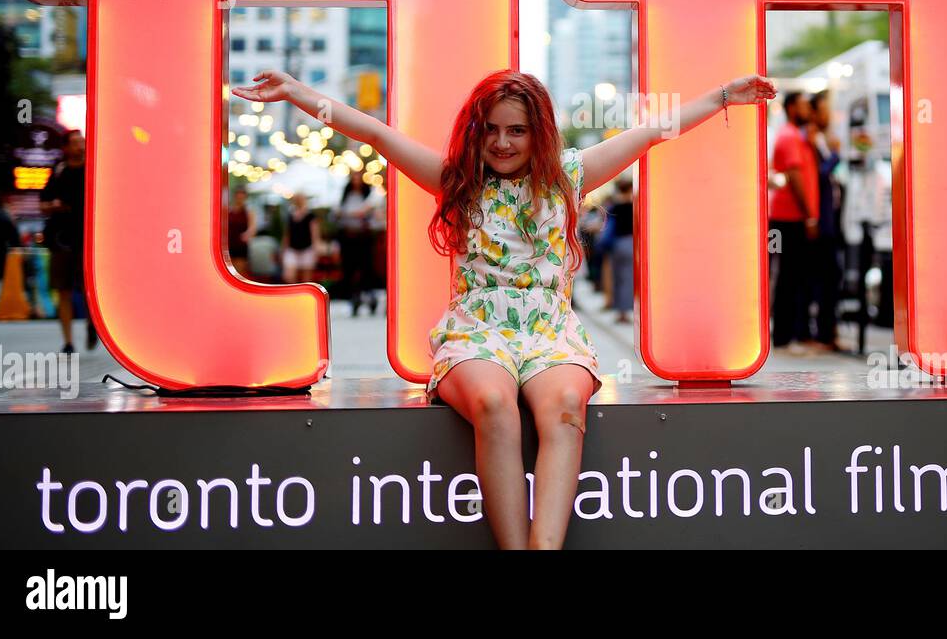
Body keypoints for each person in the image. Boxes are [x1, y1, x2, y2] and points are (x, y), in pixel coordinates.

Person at [233, 67, 775, 550]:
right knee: (494, 405)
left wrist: (723, 95)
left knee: (565, 404)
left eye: (516, 130)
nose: (502, 142)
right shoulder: (457, 180)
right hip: (476, 330)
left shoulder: (567, 176)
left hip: (549, 329)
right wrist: (296, 93)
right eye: (490, 129)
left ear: (538, 132)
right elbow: (374, 132)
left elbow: (653, 133)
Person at [769, 91, 819, 351]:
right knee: (789, 276)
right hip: (789, 217)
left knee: (793, 275)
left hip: (793, 216)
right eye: (803, 105)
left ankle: (789, 335)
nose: (809, 110)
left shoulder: (798, 137)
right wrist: (809, 215)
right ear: (791, 108)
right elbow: (795, 178)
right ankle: (784, 337)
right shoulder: (788, 137)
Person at [42, 130, 91, 352]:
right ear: (66, 148)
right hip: (61, 239)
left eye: (82, 141)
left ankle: (94, 325)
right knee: (63, 289)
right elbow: (42, 204)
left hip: (87, 238)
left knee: (89, 288)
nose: (80, 145)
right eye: (75, 142)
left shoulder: (93, 170)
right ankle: (68, 341)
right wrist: (55, 206)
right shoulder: (58, 172)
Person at [807, 92, 844, 352]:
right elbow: (817, 175)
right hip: (822, 219)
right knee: (825, 276)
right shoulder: (811, 140)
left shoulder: (819, 138)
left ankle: (827, 330)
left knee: (831, 275)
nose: (827, 115)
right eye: (823, 110)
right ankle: (823, 331)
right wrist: (834, 156)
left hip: (830, 217)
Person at [337, 174, 377, 315]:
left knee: (366, 267)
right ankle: (354, 298)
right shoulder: (345, 197)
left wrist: (353, 214)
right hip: (348, 237)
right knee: (350, 268)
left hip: (363, 237)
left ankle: (369, 296)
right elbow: (340, 212)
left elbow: (366, 212)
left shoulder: (369, 195)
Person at [605, 178, 634, 324]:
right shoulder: (632, 206)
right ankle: (625, 311)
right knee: (628, 278)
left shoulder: (615, 206)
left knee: (617, 277)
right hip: (629, 243)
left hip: (616, 244)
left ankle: (619, 311)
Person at [281, 192, 321, 284]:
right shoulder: (290, 215)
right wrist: (283, 249)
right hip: (292, 249)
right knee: (288, 276)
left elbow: (314, 234)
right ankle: (294, 293)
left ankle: (303, 297)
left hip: (307, 249)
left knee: (306, 279)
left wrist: (316, 249)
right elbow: (287, 234)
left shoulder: (310, 216)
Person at [227, 188, 257, 279]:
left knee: (239, 272)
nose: (239, 199)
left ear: (245, 198)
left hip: (240, 244)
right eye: (238, 196)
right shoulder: (228, 210)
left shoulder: (248, 211)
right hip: (228, 243)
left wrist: (246, 235)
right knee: (228, 272)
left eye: (242, 197)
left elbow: (253, 227)